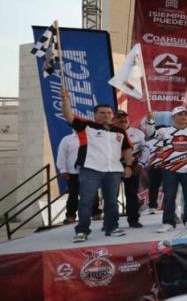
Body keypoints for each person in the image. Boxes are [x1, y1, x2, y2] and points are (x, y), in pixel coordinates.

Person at [60, 88, 134, 242]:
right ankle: (82, 231)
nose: (106, 115)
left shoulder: (120, 131)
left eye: (108, 113)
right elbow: (69, 115)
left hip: (113, 170)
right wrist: (65, 99)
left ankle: (111, 227)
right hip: (91, 169)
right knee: (86, 200)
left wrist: (128, 166)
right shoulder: (87, 126)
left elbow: (127, 149)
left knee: (112, 201)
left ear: (112, 115)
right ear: (95, 115)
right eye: (102, 113)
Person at [146, 106, 187, 233]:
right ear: (173, 117)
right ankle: (168, 222)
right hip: (170, 170)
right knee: (169, 197)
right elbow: (151, 134)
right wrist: (150, 121)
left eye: (185, 115)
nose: (183, 117)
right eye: (180, 115)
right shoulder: (164, 131)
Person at [56, 131, 97, 225]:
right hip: (73, 172)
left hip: (90, 170)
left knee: (93, 193)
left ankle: (95, 213)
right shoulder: (67, 139)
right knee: (73, 195)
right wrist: (63, 169)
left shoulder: (93, 138)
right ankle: (70, 216)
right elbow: (61, 155)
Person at [113, 110, 146, 228]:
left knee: (132, 194)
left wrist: (141, 164)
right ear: (113, 119)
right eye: (119, 118)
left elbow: (146, 149)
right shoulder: (108, 133)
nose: (122, 120)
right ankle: (112, 222)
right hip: (113, 166)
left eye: (124, 118)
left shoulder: (138, 133)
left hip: (132, 166)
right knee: (111, 195)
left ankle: (133, 220)